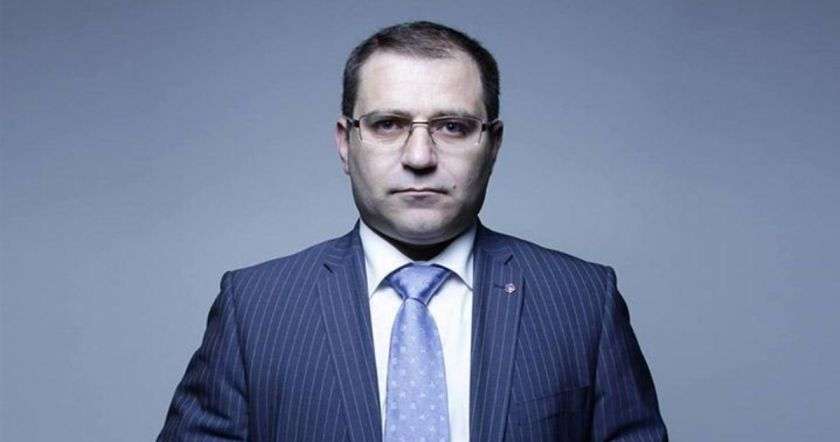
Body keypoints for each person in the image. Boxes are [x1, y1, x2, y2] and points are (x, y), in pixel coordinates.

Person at [158, 21, 667, 442]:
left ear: (492, 145)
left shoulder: (582, 301)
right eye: (388, 124)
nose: (419, 157)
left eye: (452, 126)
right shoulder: (255, 307)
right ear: (346, 143)